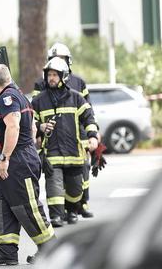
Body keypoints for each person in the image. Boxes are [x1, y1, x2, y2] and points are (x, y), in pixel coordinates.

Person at [0, 64, 55, 266]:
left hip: (17, 160)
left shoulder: (7, 98)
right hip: (19, 155)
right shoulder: (19, 95)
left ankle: (51, 250)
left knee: (27, 206)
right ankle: (6, 250)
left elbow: (13, 126)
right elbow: (30, 128)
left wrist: (5, 158)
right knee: (4, 205)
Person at [31, 57, 99, 227]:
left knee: (76, 189)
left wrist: (92, 137)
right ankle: (56, 216)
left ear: (64, 76)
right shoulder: (39, 100)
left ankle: (72, 210)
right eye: (49, 75)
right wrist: (41, 127)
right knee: (54, 187)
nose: (51, 78)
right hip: (52, 154)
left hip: (74, 154)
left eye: (55, 75)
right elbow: (29, 123)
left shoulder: (76, 98)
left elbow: (89, 118)